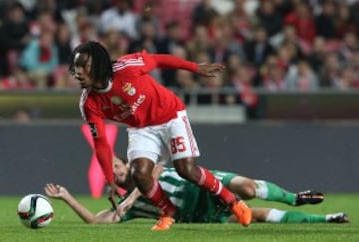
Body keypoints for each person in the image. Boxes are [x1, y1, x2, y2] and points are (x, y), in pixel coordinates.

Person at [68, 41, 252, 230]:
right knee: (139, 174)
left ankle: (233, 201)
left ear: (99, 64)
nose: (78, 72)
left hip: (170, 115)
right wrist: (109, 179)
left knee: (186, 170)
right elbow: (100, 143)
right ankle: (168, 212)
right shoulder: (88, 103)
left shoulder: (126, 67)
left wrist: (195, 68)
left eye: (84, 66)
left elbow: (159, 60)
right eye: (76, 67)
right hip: (141, 128)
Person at [44, 157, 349, 225]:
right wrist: (68, 197)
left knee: (246, 187)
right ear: (111, 181)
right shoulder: (129, 207)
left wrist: (134, 196)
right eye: (114, 172)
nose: (120, 170)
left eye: (119, 164)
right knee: (253, 216)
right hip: (197, 214)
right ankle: (325, 220)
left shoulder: (145, 167)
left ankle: (294, 197)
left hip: (202, 183)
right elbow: (97, 222)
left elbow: (159, 169)